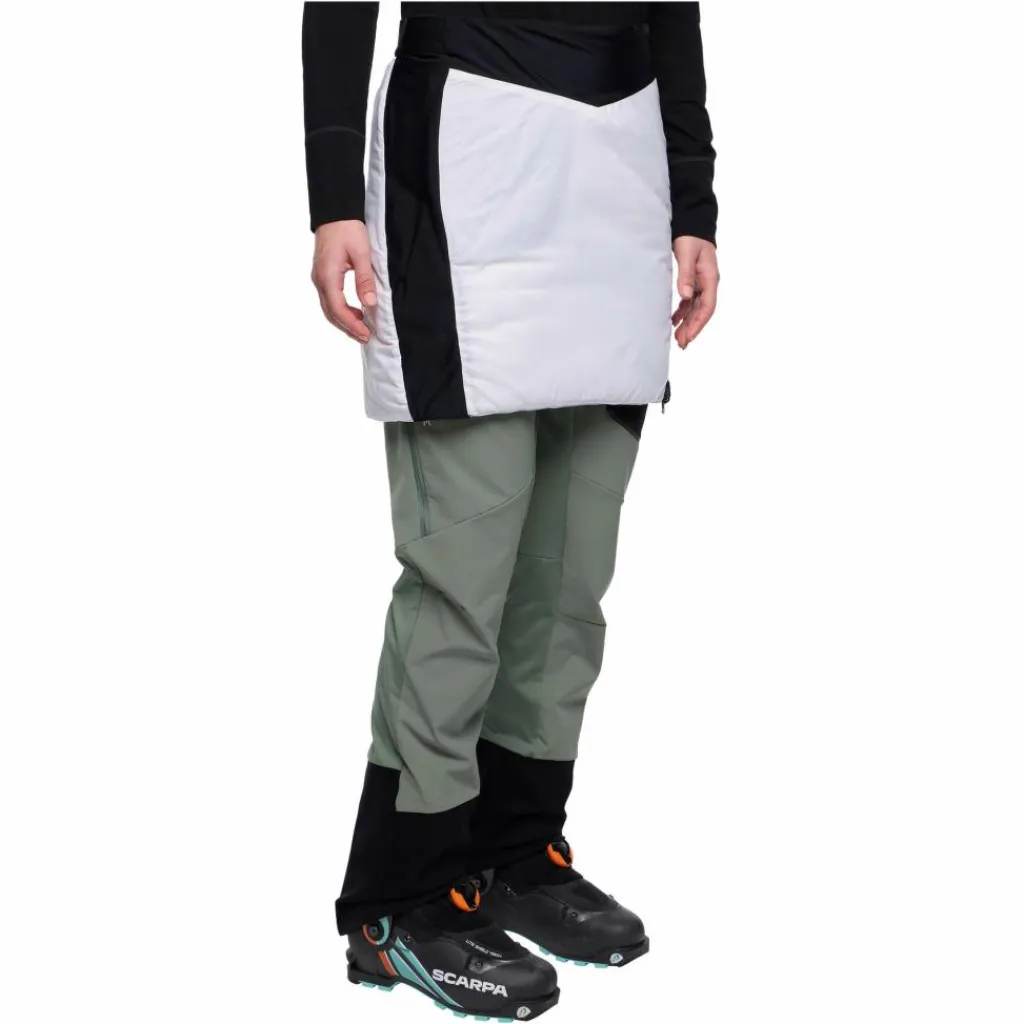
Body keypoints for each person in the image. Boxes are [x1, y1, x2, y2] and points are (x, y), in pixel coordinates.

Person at [302, 3, 718, 1018]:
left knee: (567, 587)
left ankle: (512, 855)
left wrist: (696, 203)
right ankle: (400, 900)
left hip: (620, 176)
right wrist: (332, 198)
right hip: (463, 159)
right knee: (462, 581)